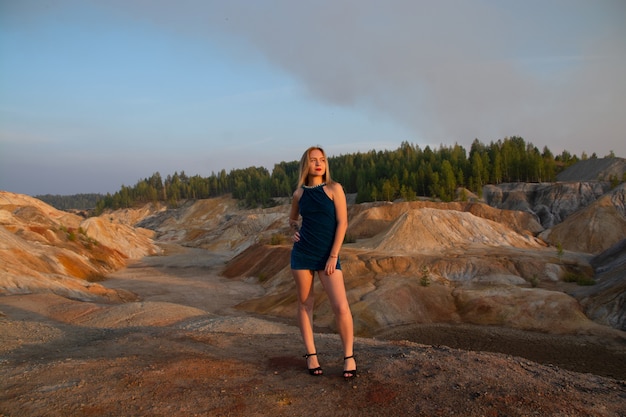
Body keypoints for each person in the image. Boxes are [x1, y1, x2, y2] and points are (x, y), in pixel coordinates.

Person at [289, 146, 356, 379]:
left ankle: (348, 356)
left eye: (322, 159)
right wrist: (294, 230)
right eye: (313, 160)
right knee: (305, 304)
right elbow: (292, 219)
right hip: (302, 253)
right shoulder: (299, 194)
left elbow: (343, 223)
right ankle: (311, 355)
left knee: (341, 306)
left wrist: (333, 255)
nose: (318, 163)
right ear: (305, 164)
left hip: (328, 255)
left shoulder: (334, 188)